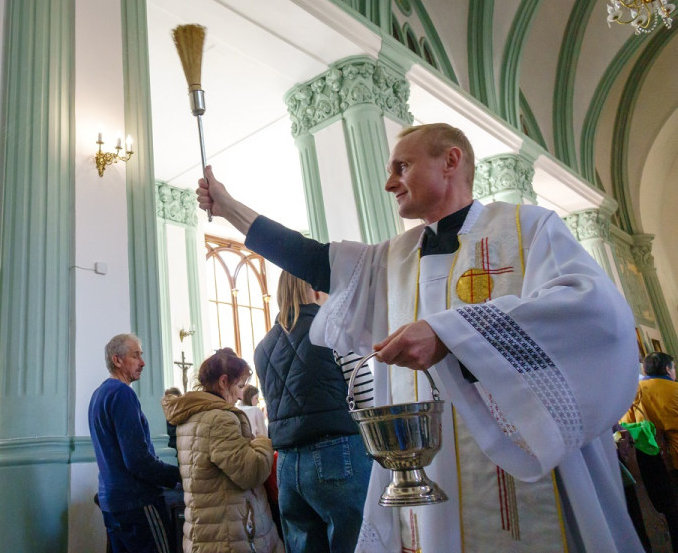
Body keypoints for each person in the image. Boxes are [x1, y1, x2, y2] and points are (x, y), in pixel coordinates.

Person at [197, 122, 641, 552]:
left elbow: (597, 318)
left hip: (521, 460)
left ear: (450, 161)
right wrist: (229, 208)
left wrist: (450, 335)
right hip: (428, 471)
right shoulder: (394, 256)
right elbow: (311, 258)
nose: (389, 183)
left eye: (402, 167)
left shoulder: (528, 229)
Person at [254, 270, 372, 552]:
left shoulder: (263, 348)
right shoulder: (334, 328)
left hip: (287, 465)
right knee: (356, 545)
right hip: (336, 455)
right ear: (316, 289)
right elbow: (365, 396)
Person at [163, 349, 284, 552]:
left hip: (209, 533)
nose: (241, 395)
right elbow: (250, 472)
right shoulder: (219, 419)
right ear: (223, 381)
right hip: (230, 536)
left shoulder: (190, 417)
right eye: (239, 386)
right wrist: (263, 441)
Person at [89, 333, 182, 553]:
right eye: (136, 356)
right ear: (117, 360)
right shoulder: (122, 394)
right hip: (138, 502)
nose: (143, 362)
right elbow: (138, 460)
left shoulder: (99, 394)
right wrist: (180, 475)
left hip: (112, 502)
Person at [621, 351, 678, 551]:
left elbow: (626, 425)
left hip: (650, 458)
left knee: (668, 507)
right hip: (675, 455)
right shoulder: (674, 389)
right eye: (673, 368)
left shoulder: (633, 391)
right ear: (667, 369)